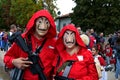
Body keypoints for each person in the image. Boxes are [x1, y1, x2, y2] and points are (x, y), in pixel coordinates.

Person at [4, 9, 56, 80]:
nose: (43, 26)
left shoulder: (54, 43)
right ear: (34, 23)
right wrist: (14, 62)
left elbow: (57, 65)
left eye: (47, 22)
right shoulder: (23, 39)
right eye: (40, 21)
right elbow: (7, 57)